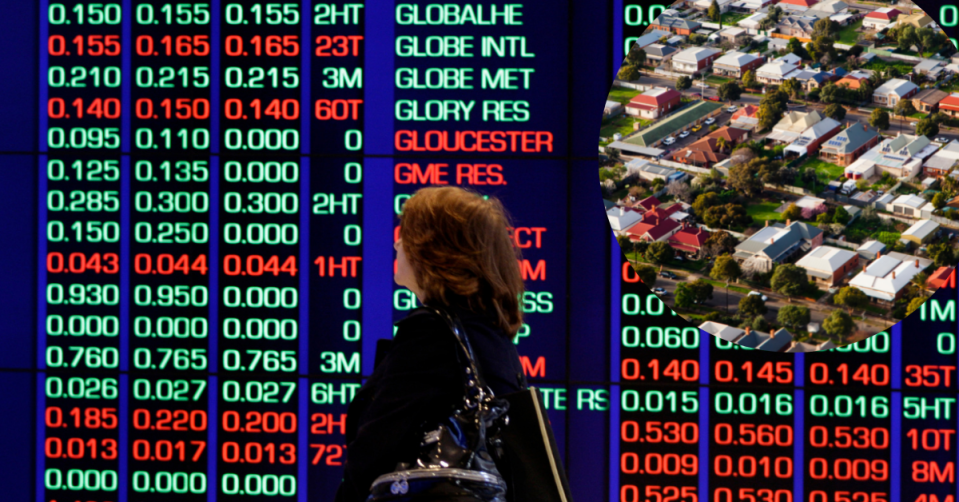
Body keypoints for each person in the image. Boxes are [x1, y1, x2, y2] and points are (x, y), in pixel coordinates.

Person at [334, 186, 529, 502]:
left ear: (433, 250)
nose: (397, 244)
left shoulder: (432, 333)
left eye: (406, 235)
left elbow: (375, 449)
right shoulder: (492, 335)